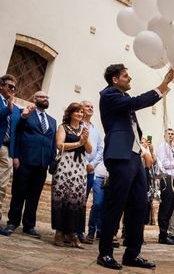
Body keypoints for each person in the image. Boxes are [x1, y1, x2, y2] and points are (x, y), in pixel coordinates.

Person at [96, 64, 173, 270]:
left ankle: (132, 253)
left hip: (134, 157)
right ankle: (105, 253)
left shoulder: (121, 98)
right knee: (116, 204)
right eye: (125, 76)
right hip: (120, 155)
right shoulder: (109, 94)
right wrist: (162, 86)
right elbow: (137, 102)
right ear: (115, 79)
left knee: (139, 204)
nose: (129, 79)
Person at [6, 91, 56, 238]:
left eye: (47, 97)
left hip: (42, 163)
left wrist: (52, 161)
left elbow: (52, 143)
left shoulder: (52, 120)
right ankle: (12, 222)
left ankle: (29, 225)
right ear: (34, 99)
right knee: (18, 193)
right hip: (24, 160)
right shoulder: (26, 113)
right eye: (42, 97)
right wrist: (15, 156)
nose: (45, 99)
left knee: (34, 196)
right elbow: (18, 133)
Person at [52, 102, 93, 247]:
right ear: (70, 113)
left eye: (81, 112)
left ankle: (73, 233)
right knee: (62, 196)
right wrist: (78, 143)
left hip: (79, 167)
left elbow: (89, 149)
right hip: (65, 164)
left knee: (77, 199)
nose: (80, 114)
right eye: (77, 112)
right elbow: (59, 145)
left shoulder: (84, 129)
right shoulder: (63, 127)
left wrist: (85, 139)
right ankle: (59, 232)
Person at [78, 100, 103, 244]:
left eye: (92, 107)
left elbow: (100, 149)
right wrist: (85, 163)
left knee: (83, 201)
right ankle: (71, 230)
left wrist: (93, 164)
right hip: (76, 167)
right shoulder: (77, 125)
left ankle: (80, 232)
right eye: (87, 106)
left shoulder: (95, 130)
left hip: (90, 171)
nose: (90, 108)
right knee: (74, 201)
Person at [0, 74, 21, 236]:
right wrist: (9, 108)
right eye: (10, 87)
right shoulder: (7, 105)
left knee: (2, 186)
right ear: (1, 86)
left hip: (7, 149)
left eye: (14, 87)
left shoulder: (11, 105)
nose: (12, 90)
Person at [155, 128, 174, 245]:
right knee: (166, 207)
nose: (170, 135)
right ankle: (162, 235)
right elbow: (164, 164)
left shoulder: (172, 148)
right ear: (164, 135)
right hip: (167, 178)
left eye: (172, 134)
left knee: (171, 207)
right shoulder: (163, 146)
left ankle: (165, 234)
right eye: (168, 134)